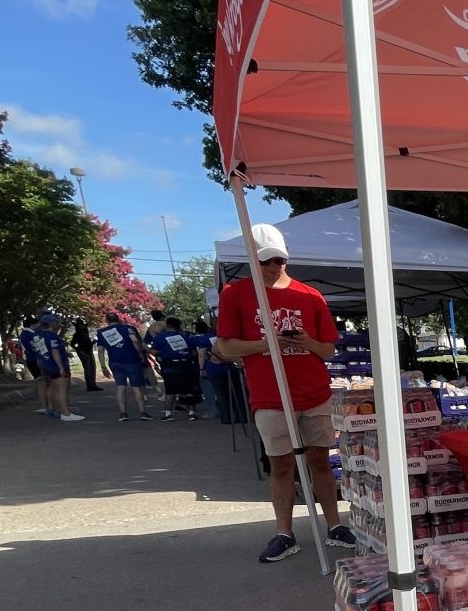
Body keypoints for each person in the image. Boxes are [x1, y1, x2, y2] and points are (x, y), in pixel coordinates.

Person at [213, 223, 356, 562]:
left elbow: (329, 350)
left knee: (320, 462)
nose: (274, 266)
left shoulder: (310, 295)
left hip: (314, 393)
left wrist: (307, 342)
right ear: (252, 259)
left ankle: (335, 526)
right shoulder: (235, 293)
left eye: (280, 260)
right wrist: (268, 344)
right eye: (266, 260)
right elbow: (225, 347)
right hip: (270, 397)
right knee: (281, 466)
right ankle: (284, 533)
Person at [96, 311, 152, 421]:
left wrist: (103, 366)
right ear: (118, 319)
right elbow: (135, 340)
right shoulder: (127, 328)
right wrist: (140, 353)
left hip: (115, 361)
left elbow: (101, 350)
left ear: (107, 321)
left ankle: (123, 414)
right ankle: (143, 413)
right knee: (136, 387)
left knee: (120, 386)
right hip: (131, 360)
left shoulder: (102, 332)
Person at [29, 314, 84, 421]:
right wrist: (61, 367)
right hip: (54, 364)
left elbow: (35, 349)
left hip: (44, 363)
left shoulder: (38, 336)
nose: (58, 325)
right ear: (52, 324)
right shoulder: (53, 337)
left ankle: (53, 408)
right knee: (61, 389)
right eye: (56, 323)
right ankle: (65, 413)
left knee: (52, 387)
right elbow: (55, 352)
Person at [150, 316, 202, 420]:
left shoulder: (160, 337)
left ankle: (168, 414)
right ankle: (191, 413)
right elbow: (194, 353)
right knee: (189, 390)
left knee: (170, 391)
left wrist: (162, 351)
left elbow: (154, 352)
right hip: (187, 365)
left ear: (167, 325)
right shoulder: (187, 337)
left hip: (170, 366)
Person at [189, 318, 226, 422]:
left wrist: (201, 368)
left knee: (209, 391)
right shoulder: (220, 337)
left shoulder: (202, 339)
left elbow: (201, 355)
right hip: (226, 365)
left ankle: (211, 412)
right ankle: (226, 411)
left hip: (208, 367)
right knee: (223, 391)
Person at [70, 319, 102, 391]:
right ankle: (90, 385)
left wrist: (93, 342)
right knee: (88, 369)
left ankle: (93, 384)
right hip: (84, 352)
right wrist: (78, 349)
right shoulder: (77, 335)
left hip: (89, 351)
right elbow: (72, 344)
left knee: (92, 368)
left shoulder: (85, 334)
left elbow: (88, 344)